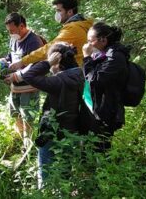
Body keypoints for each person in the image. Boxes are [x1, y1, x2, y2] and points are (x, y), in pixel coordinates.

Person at [21, 42, 84, 188]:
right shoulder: (80, 74)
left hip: (52, 132)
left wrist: (48, 63)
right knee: (64, 173)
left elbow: (29, 76)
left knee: (46, 174)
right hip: (72, 131)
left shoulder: (59, 81)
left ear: (58, 62)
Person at [0, 12, 44, 152]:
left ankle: (30, 147)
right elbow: (10, 56)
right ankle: (22, 141)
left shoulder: (34, 41)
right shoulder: (14, 39)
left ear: (21, 26)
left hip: (29, 87)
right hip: (15, 87)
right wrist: (3, 61)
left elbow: (37, 65)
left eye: (12, 30)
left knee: (28, 116)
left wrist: (17, 76)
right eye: (8, 31)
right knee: (15, 113)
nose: (10, 34)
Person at [9, 0, 93, 71]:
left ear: (70, 12)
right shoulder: (82, 24)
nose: (57, 14)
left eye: (59, 10)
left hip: (75, 72)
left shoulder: (73, 28)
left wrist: (22, 61)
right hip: (80, 70)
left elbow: (50, 48)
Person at [81, 22, 129, 152]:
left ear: (103, 40)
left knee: (101, 146)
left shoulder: (115, 57)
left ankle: (101, 170)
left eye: (91, 41)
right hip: (96, 106)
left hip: (107, 110)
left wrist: (86, 57)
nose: (88, 45)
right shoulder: (102, 54)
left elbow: (95, 80)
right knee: (89, 143)